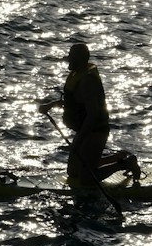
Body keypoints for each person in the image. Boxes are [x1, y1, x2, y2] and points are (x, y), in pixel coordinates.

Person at [40, 39, 111, 188]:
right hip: (84, 130)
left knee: (86, 179)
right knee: (73, 172)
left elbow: (93, 114)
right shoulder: (76, 76)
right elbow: (75, 105)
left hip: (95, 131)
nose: (68, 58)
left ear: (79, 59)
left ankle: (125, 164)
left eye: (71, 56)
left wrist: (78, 141)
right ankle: (116, 158)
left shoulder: (87, 82)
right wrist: (51, 105)